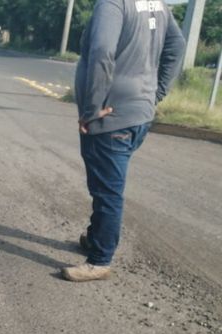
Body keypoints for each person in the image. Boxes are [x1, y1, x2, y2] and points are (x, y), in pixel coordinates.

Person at [64, 0, 185, 282]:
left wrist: (92, 108)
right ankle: (96, 239)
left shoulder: (113, 3)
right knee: (106, 183)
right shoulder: (156, 3)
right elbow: (177, 46)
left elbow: (101, 51)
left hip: (111, 116)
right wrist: (156, 92)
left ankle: (99, 261)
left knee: (108, 191)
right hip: (139, 113)